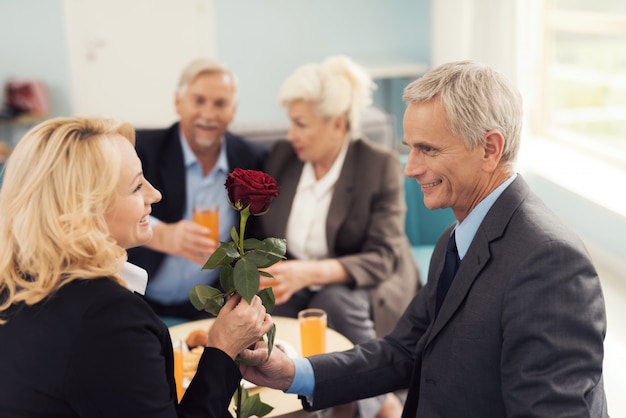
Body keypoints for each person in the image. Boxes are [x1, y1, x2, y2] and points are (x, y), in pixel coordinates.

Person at [239, 61, 609, 417]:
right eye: (410, 147)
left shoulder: (551, 264)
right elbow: (403, 349)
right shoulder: (454, 238)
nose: (411, 168)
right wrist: (291, 373)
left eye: (427, 149)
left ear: (490, 149)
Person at [0, 117, 273, 417]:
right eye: (136, 186)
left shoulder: (14, 283)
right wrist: (223, 349)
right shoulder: (107, 319)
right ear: (85, 210)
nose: (154, 195)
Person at [256, 55, 420, 418]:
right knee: (267, 307)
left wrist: (308, 273)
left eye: (301, 124)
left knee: (334, 300)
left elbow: (383, 257)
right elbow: (262, 231)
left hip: (372, 283)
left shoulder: (379, 165)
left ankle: (378, 402)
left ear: (338, 124)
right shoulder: (285, 157)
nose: (290, 135)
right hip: (303, 281)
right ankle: (300, 408)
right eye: (290, 123)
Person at [127, 58, 268, 320]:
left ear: (233, 111)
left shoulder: (253, 159)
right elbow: (102, 205)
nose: (208, 114)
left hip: (210, 305)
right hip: (139, 301)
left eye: (220, 104)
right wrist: (161, 233)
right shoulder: (139, 148)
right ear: (178, 102)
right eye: (199, 100)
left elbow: (260, 230)